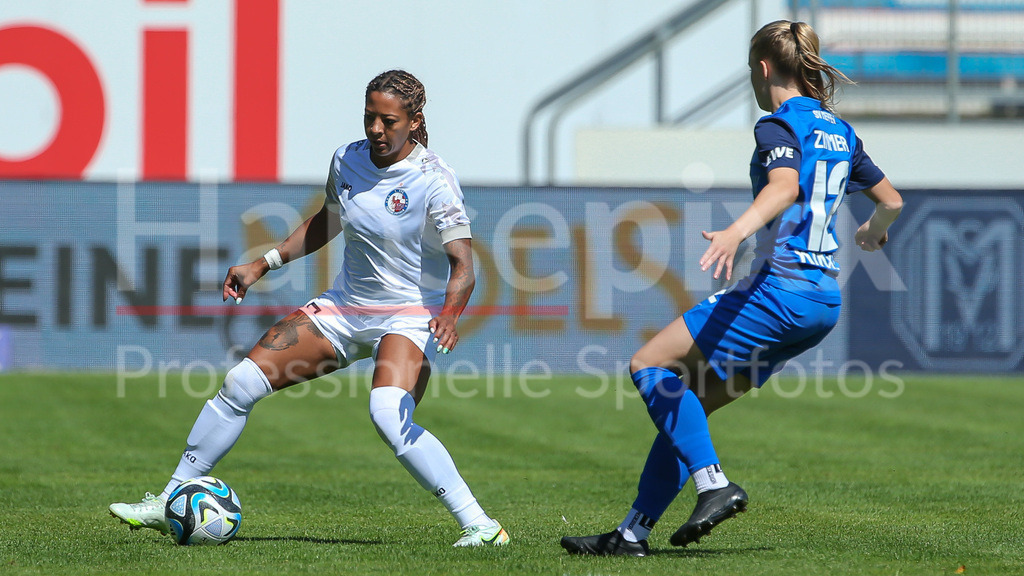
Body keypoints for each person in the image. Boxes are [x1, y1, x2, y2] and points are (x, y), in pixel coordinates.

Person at [110, 70, 510, 548]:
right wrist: (263, 263)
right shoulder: (347, 159)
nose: (376, 130)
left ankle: (481, 525)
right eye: (370, 117)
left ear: (414, 121)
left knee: (387, 414)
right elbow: (328, 220)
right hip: (343, 310)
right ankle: (170, 498)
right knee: (240, 383)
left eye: (388, 120)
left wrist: (449, 313)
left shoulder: (434, 180)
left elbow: (463, 263)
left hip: (407, 317)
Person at [561, 20, 903, 556]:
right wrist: (871, 233)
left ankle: (713, 484)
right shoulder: (840, 131)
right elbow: (892, 202)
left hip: (780, 292)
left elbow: (785, 186)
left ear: (763, 68)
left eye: (750, 70)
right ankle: (632, 534)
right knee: (687, 406)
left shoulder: (776, 125)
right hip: (822, 303)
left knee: (649, 365)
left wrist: (735, 232)